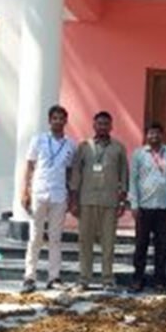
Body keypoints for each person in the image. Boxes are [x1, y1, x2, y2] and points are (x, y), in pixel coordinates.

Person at [69, 111, 129, 291]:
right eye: (99, 123)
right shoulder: (84, 146)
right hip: (86, 200)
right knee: (85, 241)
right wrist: (73, 199)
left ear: (111, 126)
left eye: (106, 124)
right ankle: (84, 279)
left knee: (108, 243)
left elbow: (123, 175)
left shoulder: (118, 148)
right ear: (94, 126)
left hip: (109, 202)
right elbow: (76, 173)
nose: (102, 127)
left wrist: (122, 201)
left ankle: (107, 279)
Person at [21, 105, 76, 294]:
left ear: (66, 121)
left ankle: (54, 277)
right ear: (49, 120)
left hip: (59, 194)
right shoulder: (38, 140)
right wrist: (25, 191)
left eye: (61, 118)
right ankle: (29, 276)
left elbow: (69, 171)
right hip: (39, 191)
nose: (58, 121)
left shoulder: (70, 144)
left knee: (55, 238)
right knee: (35, 236)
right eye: (54, 118)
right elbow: (29, 166)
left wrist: (71, 195)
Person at [128, 122, 166, 293]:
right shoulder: (138, 154)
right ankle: (137, 279)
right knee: (141, 245)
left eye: (157, 133)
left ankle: (160, 281)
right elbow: (133, 181)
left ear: (162, 135)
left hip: (163, 209)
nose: (154, 136)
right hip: (144, 207)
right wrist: (134, 204)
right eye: (151, 133)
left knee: (161, 246)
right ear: (146, 135)